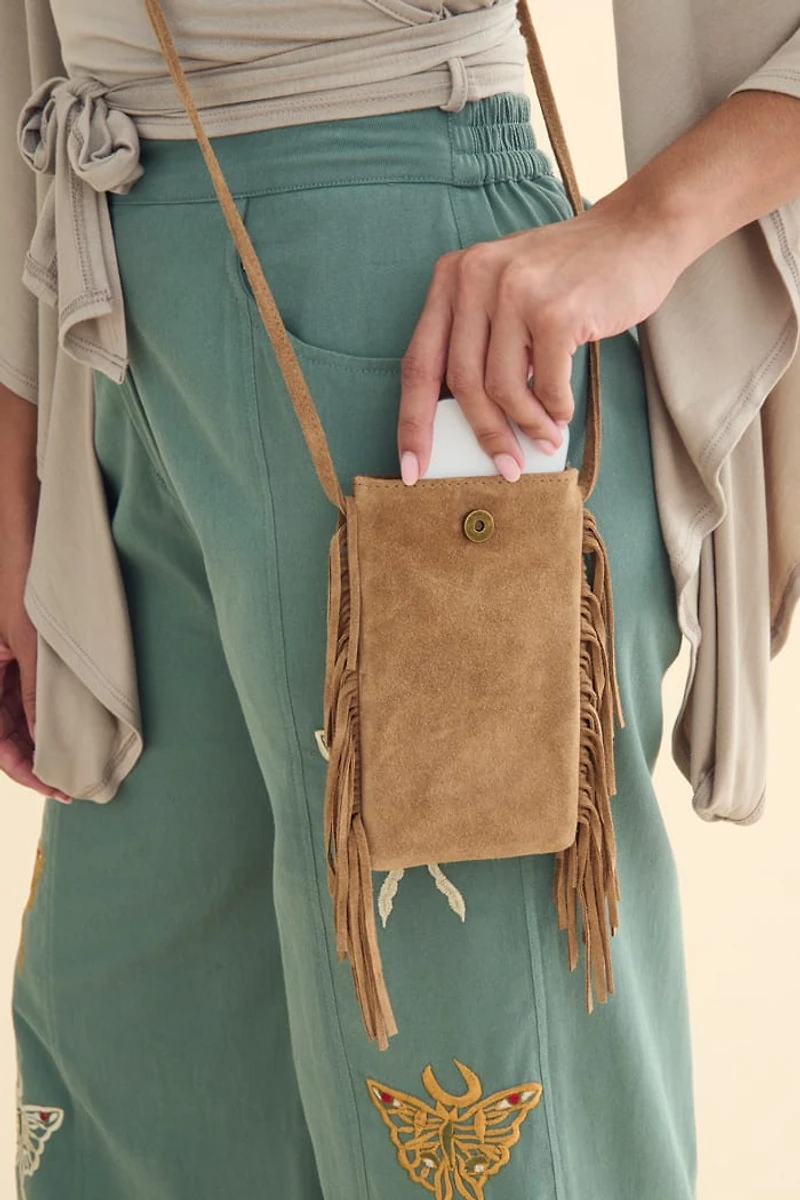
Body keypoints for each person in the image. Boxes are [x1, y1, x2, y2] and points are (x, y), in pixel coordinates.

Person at [2, 2, 799, 1197]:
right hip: (118, 349)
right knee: (147, 1091)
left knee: (485, 1127)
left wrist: (647, 229)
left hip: (427, 362)